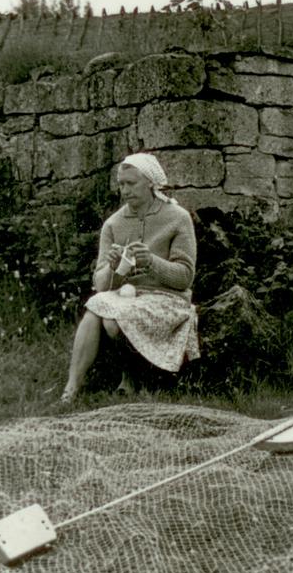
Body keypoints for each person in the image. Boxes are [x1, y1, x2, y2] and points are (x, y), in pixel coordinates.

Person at [60, 152, 200, 403]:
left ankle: (132, 376)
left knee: (113, 318)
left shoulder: (178, 218)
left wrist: (152, 262)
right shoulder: (113, 224)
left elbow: (185, 277)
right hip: (123, 299)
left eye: (131, 184)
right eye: (121, 185)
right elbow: (100, 286)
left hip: (167, 299)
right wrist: (114, 269)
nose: (125, 190)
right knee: (96, 310)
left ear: (150, 183)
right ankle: (71, 389)